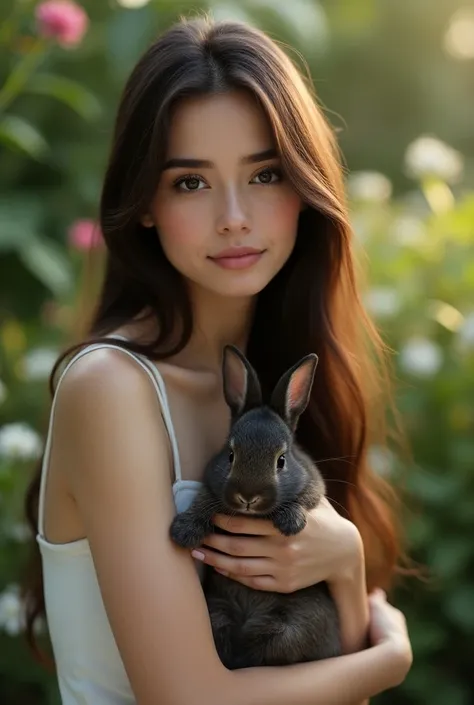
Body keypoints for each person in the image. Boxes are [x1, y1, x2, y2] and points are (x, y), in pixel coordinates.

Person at [23, 14, 412, 705]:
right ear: (144, 202)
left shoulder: (274, 393)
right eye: (191, 183)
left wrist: (348, 564)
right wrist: (388, 660)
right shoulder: (111, 389)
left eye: (265, 173)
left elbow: (328, 679)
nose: (234, 215)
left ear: (305, 186)